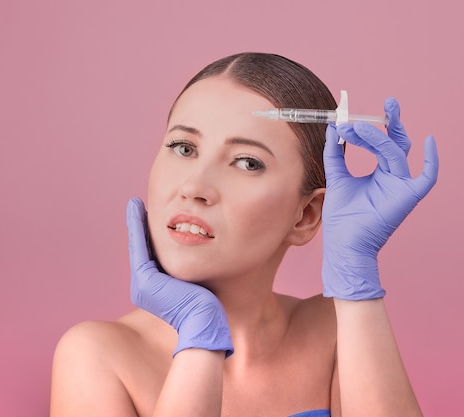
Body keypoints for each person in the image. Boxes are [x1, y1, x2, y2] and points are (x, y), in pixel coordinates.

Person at [49, 52, 439, 417]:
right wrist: (200, 334)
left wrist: (356, 271)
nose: (194, 187)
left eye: (247, 162)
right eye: (183, 147)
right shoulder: (98, 357)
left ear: (305, 215)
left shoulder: (334, 332)